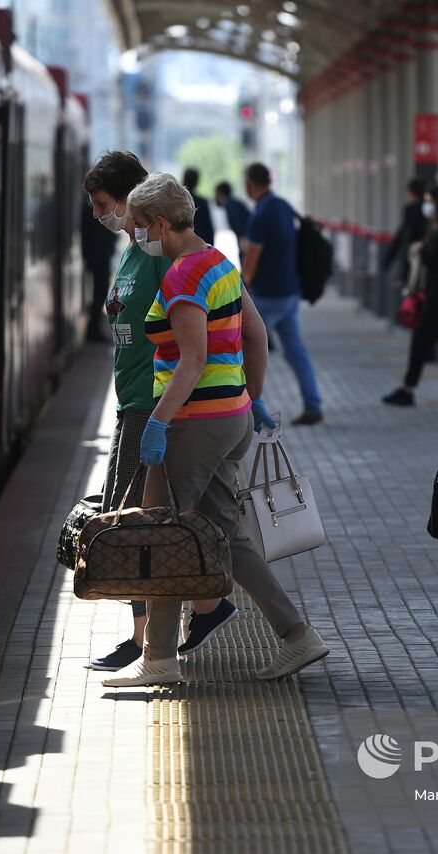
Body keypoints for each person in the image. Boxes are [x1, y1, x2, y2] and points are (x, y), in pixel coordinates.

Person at [101, 173, 329, 686]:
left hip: (192, 423)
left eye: (140, 228)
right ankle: (298, 636)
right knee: (226, 532)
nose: (138, 237)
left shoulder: (181, 276)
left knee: (162, 533)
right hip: (232, 418)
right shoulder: (219, 263)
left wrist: (157, 422)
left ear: (160, 222)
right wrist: (255, 395)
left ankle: (159, 659)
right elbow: (256, 333)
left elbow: (192, 360)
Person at [80, 153, 234, 672]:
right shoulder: (131, 253)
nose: (101, 216)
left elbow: (213, 322)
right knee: (175, 519)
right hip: (132, 403)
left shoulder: (162, 255)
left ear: (131, 203)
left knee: (136, 525)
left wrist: (246, 393)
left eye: (105, 206)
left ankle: (148, 639)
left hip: (153, 404)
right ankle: (205, 609)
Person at [242, 162, 323, 425]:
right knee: (295, 350)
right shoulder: (282, 206)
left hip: (267, 295)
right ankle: (313, 405)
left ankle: (241, 410)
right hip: (290, 291)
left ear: (250, 185)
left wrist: (242, 286)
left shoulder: (260, 216)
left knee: (243, 348)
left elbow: (251, 264)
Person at [382, 184, 438, 406]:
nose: (426, 205)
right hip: (433, 293)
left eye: (430, 201)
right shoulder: (435, 229)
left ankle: (408, 389)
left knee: (421, 342)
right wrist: (420, 248)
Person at [79, 195, 118, 343]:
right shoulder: (93, 210)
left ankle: (93, 326)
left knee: (100, 292)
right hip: (99, 257)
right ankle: (93, 328)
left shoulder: (92, 208)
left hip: (99, 257)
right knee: (99, 291)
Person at [381, 178, 429, 286]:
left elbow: (403, 233)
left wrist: (388, 259)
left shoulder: (410, 209)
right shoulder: (432, 209)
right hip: (429, 258)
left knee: (411, 290)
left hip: (412, 256)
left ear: (412, 193)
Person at [180, 166, 216, 246]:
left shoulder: (176, 201)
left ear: (183, 180)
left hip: (181, 245)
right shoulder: (202, 202)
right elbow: (208, 228)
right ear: (196, 182)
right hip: (200, 244)